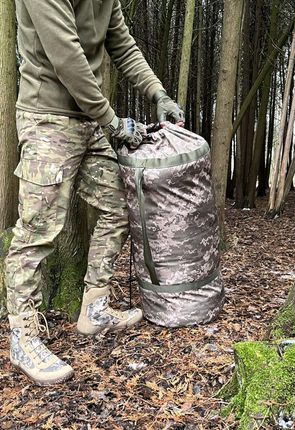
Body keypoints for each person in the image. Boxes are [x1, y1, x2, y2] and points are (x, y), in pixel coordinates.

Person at [7, 0, 185, 386]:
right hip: (46, 119)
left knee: (119, 207)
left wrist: (158, 94)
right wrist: (112, 120)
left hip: (88, 120)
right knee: (36, 231)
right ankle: (23, 337)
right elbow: (66, 56)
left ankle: (94, 308)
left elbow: (122, 44)